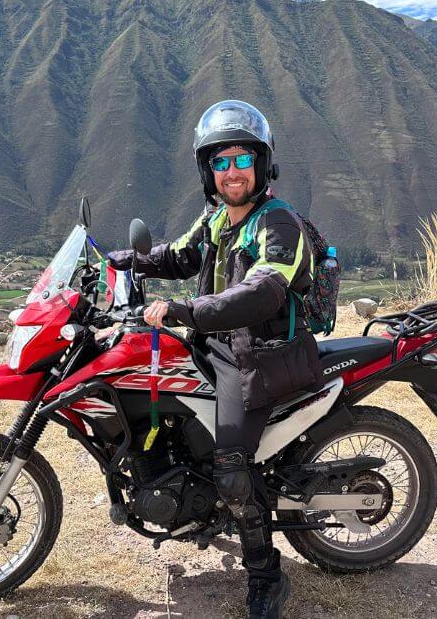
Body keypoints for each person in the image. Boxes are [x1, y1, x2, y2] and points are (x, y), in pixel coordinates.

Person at [108, 100, 321, 619]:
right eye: (220, 162)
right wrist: (117, 262)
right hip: (214, 343)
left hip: (257, 359)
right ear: (208, 171)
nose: (232, 172)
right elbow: (177, 256)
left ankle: (266, 576)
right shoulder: (218, 220)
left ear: (262, 164)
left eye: (242, 160)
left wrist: (185, 310)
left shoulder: (279, 225)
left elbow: (261, 293)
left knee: (230, 467)